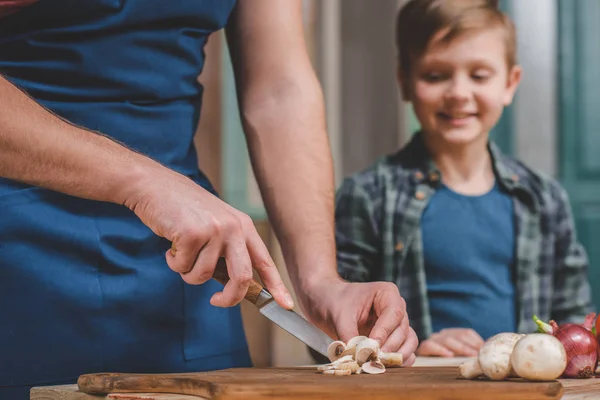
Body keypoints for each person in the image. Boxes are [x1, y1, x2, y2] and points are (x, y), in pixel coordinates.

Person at [0, 1, 418, 397]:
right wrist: (144, 182)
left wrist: (319, 281)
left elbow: (279, 90)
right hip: (17, 262)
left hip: (187, 271)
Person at [334, 0, 595, 359]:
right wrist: (412, 349)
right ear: (405, 82)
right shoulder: (367, 195)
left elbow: (574, 321)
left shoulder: (544, 199)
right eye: (435, 75)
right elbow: (332, 327)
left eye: (479, 75)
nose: (458, 93)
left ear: (510, 83)